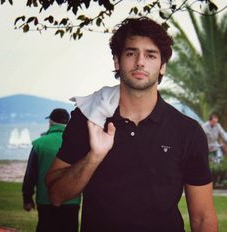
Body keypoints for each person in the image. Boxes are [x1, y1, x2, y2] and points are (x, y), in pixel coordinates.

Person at [46, 17, 218, 232]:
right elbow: (56, 194)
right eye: (130, 53)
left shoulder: (188, 131)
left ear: (163, 66)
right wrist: (94, 157)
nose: (140, 62)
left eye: (150, 55)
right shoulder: (89, 119)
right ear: (117, 61)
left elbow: (202, 217)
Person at [22, 108, 81, 232]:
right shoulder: (79, 142)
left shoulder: (40, 143)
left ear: (51, 121)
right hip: (72, 199)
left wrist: (27, 199)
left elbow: (30, 174)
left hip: (45, 200)